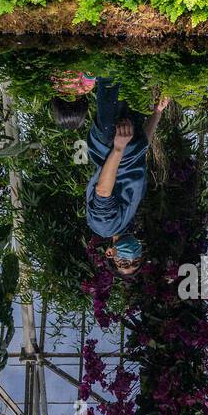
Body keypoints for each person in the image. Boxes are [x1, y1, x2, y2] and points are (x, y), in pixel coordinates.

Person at [64, 78, 169, 276]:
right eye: (136, 260)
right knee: (136, 71)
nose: (131, 258)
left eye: (123, 262)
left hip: (112, 137)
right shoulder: (128, 219)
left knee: (111, 72)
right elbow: (139, 154)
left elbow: (103, 191)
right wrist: (157, 114)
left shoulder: (104, 227)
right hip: (132, 134)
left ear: (110, 253)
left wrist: (119, 147)